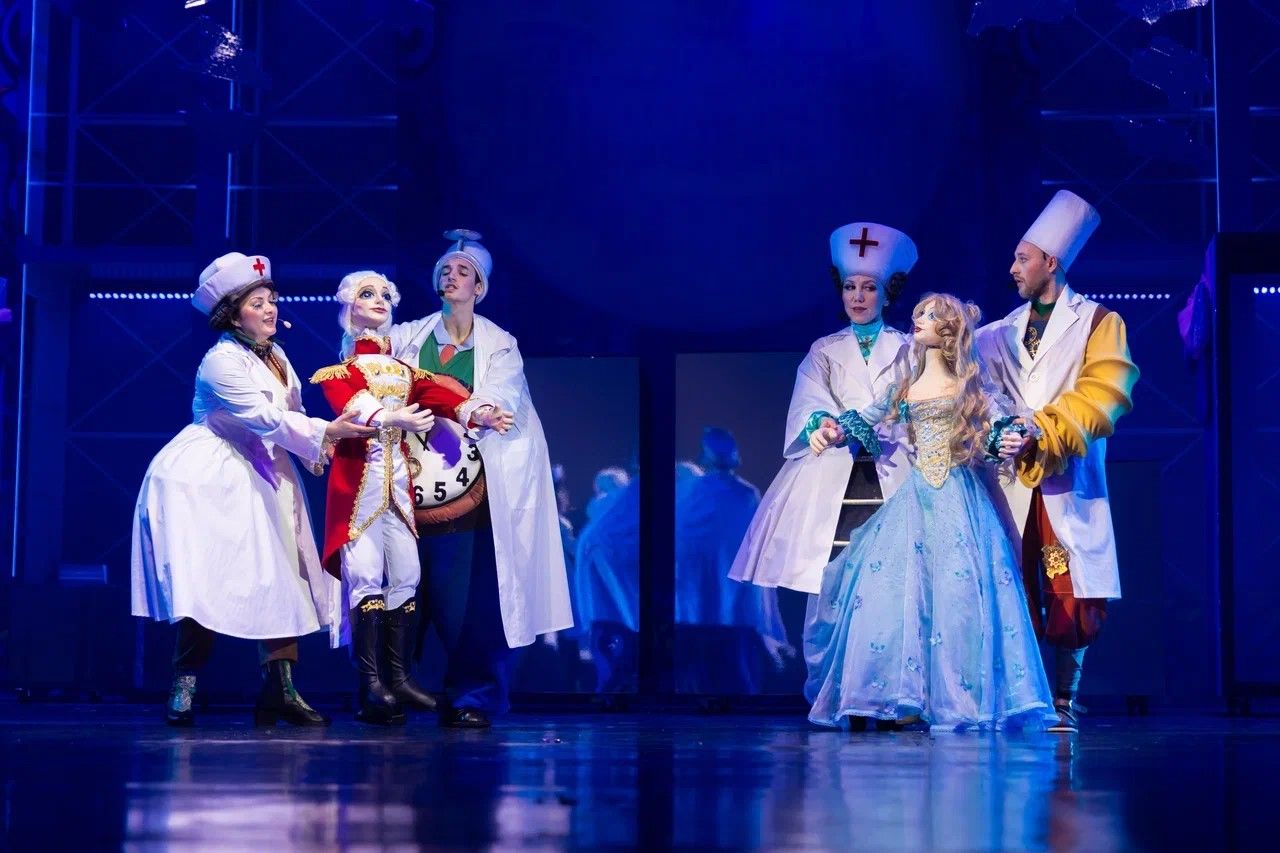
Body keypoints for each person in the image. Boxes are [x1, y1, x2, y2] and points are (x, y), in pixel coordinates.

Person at [131, 252, 375, 727]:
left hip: (266, 469)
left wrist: (319, 449)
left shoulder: (277, 356)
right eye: (257, 303)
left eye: (271, 300)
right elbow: (263, 418)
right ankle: (184, 683)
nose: (269, 309)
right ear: (232, 314)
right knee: (206, 579)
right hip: (212, 477)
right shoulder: (220, 362)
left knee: (285, 574)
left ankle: (280, 689)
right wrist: (326, 432)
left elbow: (292, 413)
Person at [804, 293, 1056, 732]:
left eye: (931, 315)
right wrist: (832, 428)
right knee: (899, 592)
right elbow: (867, 415)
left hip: (959, 495)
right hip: (917, 496)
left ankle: (959, 695)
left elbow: (999, 423)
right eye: (919, 313)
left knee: (958, 594)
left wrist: (1010, 437)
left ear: (950, 329)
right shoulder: (905, 383)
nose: (919, 320)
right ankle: (903, 694)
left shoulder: (968, 383)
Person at [311, 270, 513, 725]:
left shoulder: (405, 371)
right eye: (368, 294)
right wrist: (394, 418)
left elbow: (441, 397)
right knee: (365, 576)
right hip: (359, 488)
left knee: (406, 574)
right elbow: (353, 405)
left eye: (385, 294)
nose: (379, 300)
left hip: (399, 489)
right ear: (349, 306)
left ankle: (398, 678)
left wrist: (478, 412)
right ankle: (371, 685)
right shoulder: (342, 370)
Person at [388, 230, 573, 727]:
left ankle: (470, 697)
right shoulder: (407, 336)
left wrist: (481, 411)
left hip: (466, 493)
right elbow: (373, 369)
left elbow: (502, 396)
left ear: (480, 287)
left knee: (464, 601)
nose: (452, 277)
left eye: (463, 271)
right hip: (405, 486)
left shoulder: (499, 345)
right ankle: (388, 692)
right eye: (445, 270)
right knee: (400, 590)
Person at [976, 190, 1140, 733]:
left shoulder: (1098, 322)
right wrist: (1001, 428)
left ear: (1051, 261)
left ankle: (1065, 698)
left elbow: (1105, 393)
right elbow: (978, 391)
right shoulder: (997, 333)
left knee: (1069, 588)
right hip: (1009, 480)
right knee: (1011, 583)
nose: (1012, 268)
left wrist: (1041, 430)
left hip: (1066, 474)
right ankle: (1019, 697)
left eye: (1022, 258)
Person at [729, 222, 916, 597]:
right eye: (850, 287)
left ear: (887, 295)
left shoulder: (909, 347)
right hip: (835, 462)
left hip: (894, 462)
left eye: (869, 287)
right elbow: (811, 399)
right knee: (829, 577)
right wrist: (822, 422)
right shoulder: (825, 349)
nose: (857, 297)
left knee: (896, 580)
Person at [675, 428, 791, 695]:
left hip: (699, 599)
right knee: (735, 662)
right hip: (735, 596)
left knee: (706, 664)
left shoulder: (691, 492)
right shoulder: (745, 494)